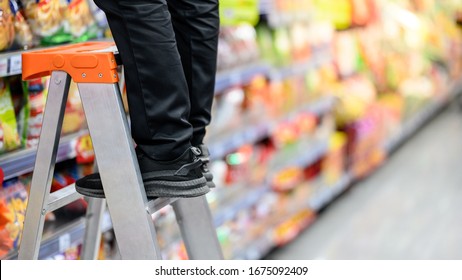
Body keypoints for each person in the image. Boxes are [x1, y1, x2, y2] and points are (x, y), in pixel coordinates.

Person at [75, 0, 219, 198]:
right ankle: (188, 144)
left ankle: (166, 151)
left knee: (140, 2)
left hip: (167, 150)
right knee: (194, 5)